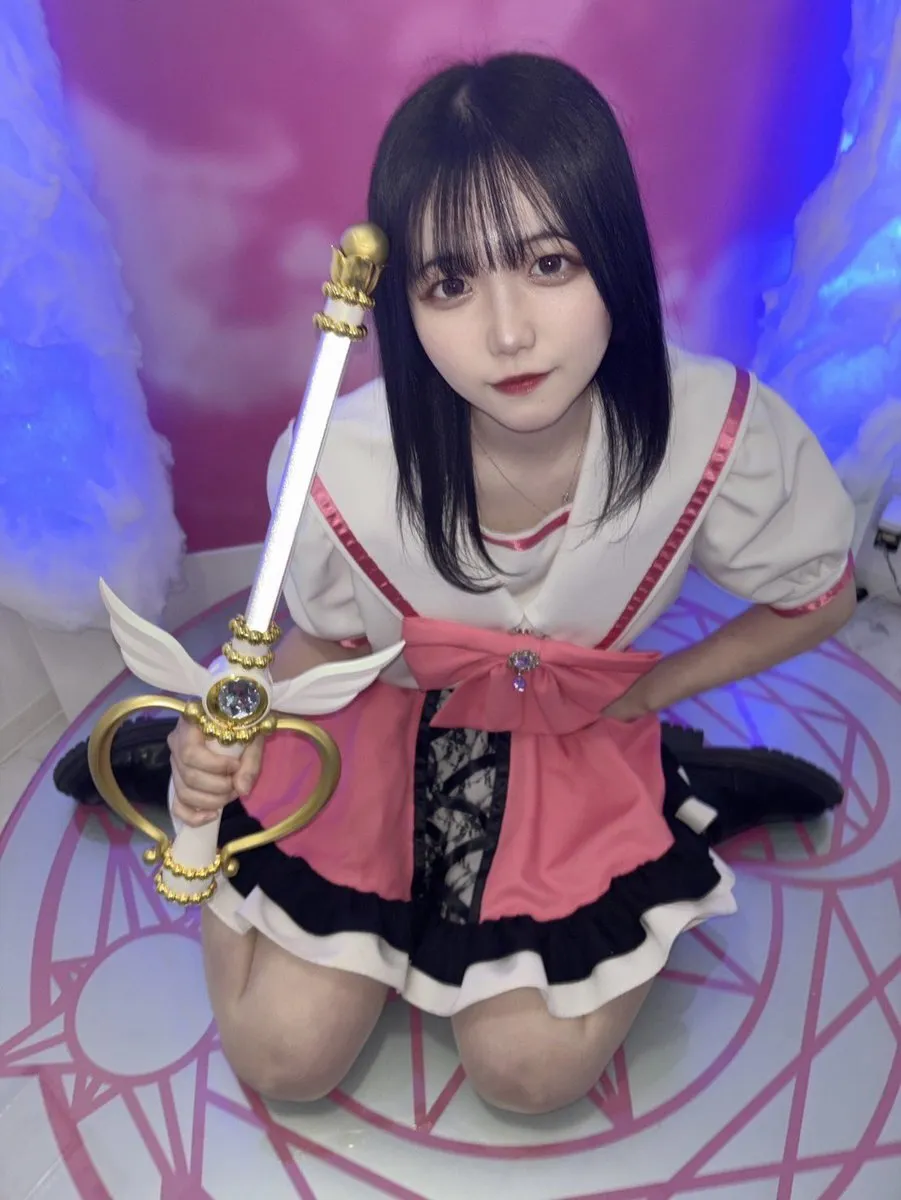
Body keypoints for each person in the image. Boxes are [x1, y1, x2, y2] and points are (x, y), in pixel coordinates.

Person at [163, 53, 856, 1115]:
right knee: (281, 1057)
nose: (506, 334)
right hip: (381, 720)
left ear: (612, 250)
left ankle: (679, 795)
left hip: (575, 738)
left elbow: (820, 594)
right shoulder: (338, 462)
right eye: (449, 283)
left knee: (529, 1077)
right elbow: (319, 642)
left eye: (548, 262)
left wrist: (654, 689)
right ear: (403, 300)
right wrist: (225, 743)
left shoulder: (712, 430)